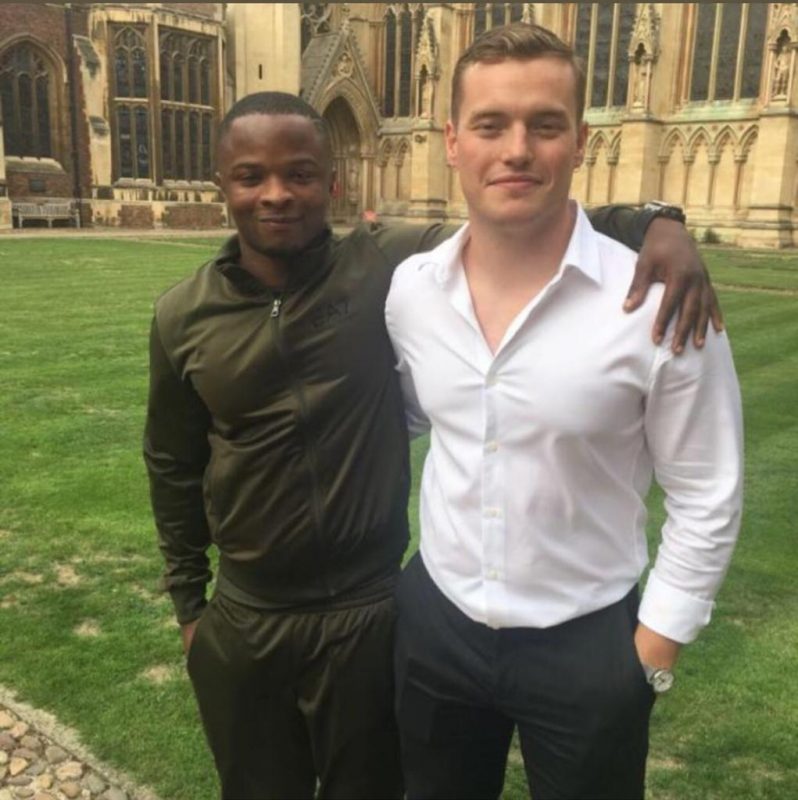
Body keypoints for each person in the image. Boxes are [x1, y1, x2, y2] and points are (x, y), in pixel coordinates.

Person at [144, 90, 722, 800]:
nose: (275, 194)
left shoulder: (383, 266)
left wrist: (656, 225)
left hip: (368, 612)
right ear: (223, 186)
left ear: (334, 182)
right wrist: (190, 608)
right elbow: (172, 464)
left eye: (298, 173)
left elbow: (513, 221)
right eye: (250, 177)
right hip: (245, 611)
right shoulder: (182, 315)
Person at [385, 23, 743, 800]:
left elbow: (708, 490)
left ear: (579, 141)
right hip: (437, 620)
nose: (516, 149)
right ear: (451, 142)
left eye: (544, 125)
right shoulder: (412, 290)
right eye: (490, 124)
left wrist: (651, 652)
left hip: (589, 644)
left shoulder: (659, 302)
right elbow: (417, 416)